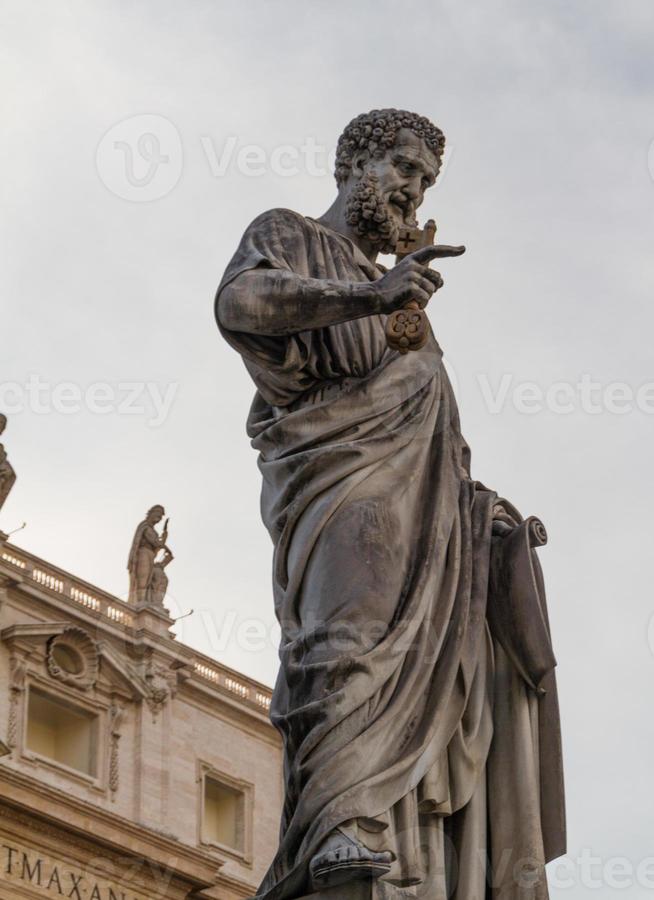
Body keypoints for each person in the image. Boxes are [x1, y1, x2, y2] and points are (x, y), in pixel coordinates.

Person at [216, 109, 565, 900]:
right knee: (346, 641)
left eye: (424, 181)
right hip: (335, 481)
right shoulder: (289, 233)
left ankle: (406, 850)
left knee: (419, 665)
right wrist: (369, 296)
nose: (412, 190)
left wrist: (487, 520)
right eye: (402, 168)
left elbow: (438, 436)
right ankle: (339, 824)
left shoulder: (406, 299)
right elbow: (241, 304)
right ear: (355, 163)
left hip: (428, 515)